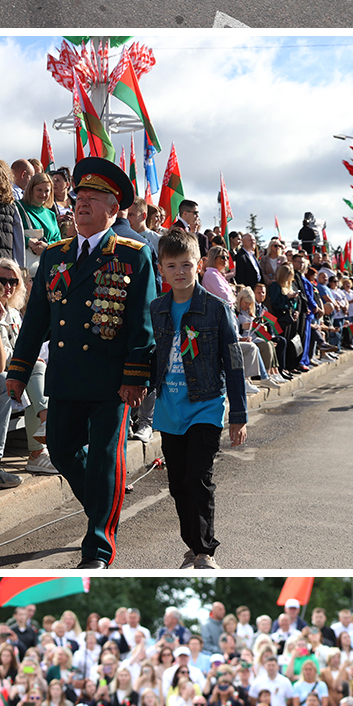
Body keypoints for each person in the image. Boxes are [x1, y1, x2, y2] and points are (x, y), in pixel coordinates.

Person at [8, 153, 159, 567]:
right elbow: (36, 317)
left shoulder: (132, 254)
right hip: (65, 374)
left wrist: (136, 373)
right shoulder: (56, 255)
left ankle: (98, 547)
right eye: (79, 195)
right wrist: (18, 370)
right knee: (60, 450)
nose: (81, 202)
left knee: (107, 458)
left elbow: (141, 321)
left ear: (114, 208)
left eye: (93, 197)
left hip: (112, 379)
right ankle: (103, 495)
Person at [153, 203, 248, 560]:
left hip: (206, 406)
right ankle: (192, 546)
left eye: (187, 265)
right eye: (172, 265)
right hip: (169, 411)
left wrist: (237, 414)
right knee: (178, 485)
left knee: (198, 479)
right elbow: (149, 355)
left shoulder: (217, 309)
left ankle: (204, 551)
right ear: (162, 268)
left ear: (200, 266)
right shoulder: (156, 308)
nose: (180, 272)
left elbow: (234, 362)